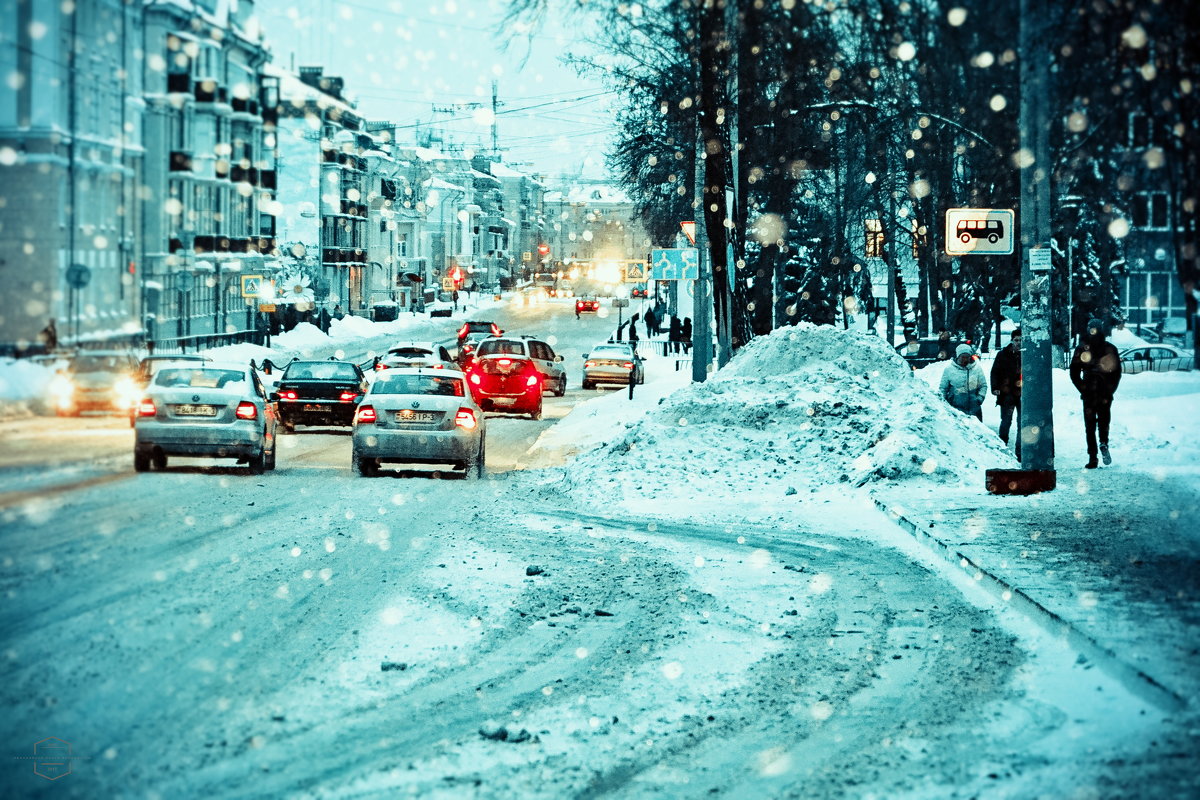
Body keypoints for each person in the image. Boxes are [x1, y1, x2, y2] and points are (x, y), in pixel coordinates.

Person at [1070, 317, 1122, 469]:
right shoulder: (1109, 348)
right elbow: (1117, 373)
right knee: (1102, 422)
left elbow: (1074, 373)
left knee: (1090, 426)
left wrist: (1083, 387)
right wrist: (1110, 389)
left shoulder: (1083, 349)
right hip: (1102, 393)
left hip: (1091, 393)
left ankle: (1093, 456)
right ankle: (1103, 444)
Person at [990, 328, 1022, 459]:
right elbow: (995, 372)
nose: (1019, 343)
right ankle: (1003, 447)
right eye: (1016, 340)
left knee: (1022, 423)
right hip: (1006, 393)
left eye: (1021, 340)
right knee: (1006, 421)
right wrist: (995, 387)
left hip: (1022, 393)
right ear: (1012, 340)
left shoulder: (1026, 355)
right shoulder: (1003, 354)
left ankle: (1019, 451)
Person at [939, 343, 988, 421]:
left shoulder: (976, 369)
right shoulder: (949, 370)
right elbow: (943, 389)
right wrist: (943, 404)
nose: (965, 359)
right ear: (958, 356)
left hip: (974, 409)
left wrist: (979, 398)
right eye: (963, 357)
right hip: (955, 410)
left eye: (967, 357)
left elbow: (983, 385)